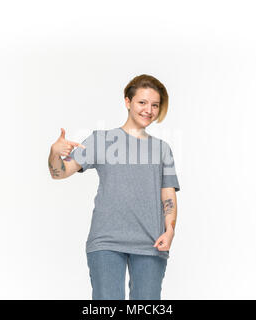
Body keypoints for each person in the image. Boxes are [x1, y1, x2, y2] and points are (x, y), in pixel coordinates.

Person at [48, 74, 180, 300]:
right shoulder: (101, 140)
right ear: (128, 102)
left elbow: (167, 195)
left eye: (155, 105)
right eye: (142, 102)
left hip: (151, 243)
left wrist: (170, 230)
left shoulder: (162, 149)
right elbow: (59, 173)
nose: (148, 110)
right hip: (106, 242)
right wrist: (54, 152)